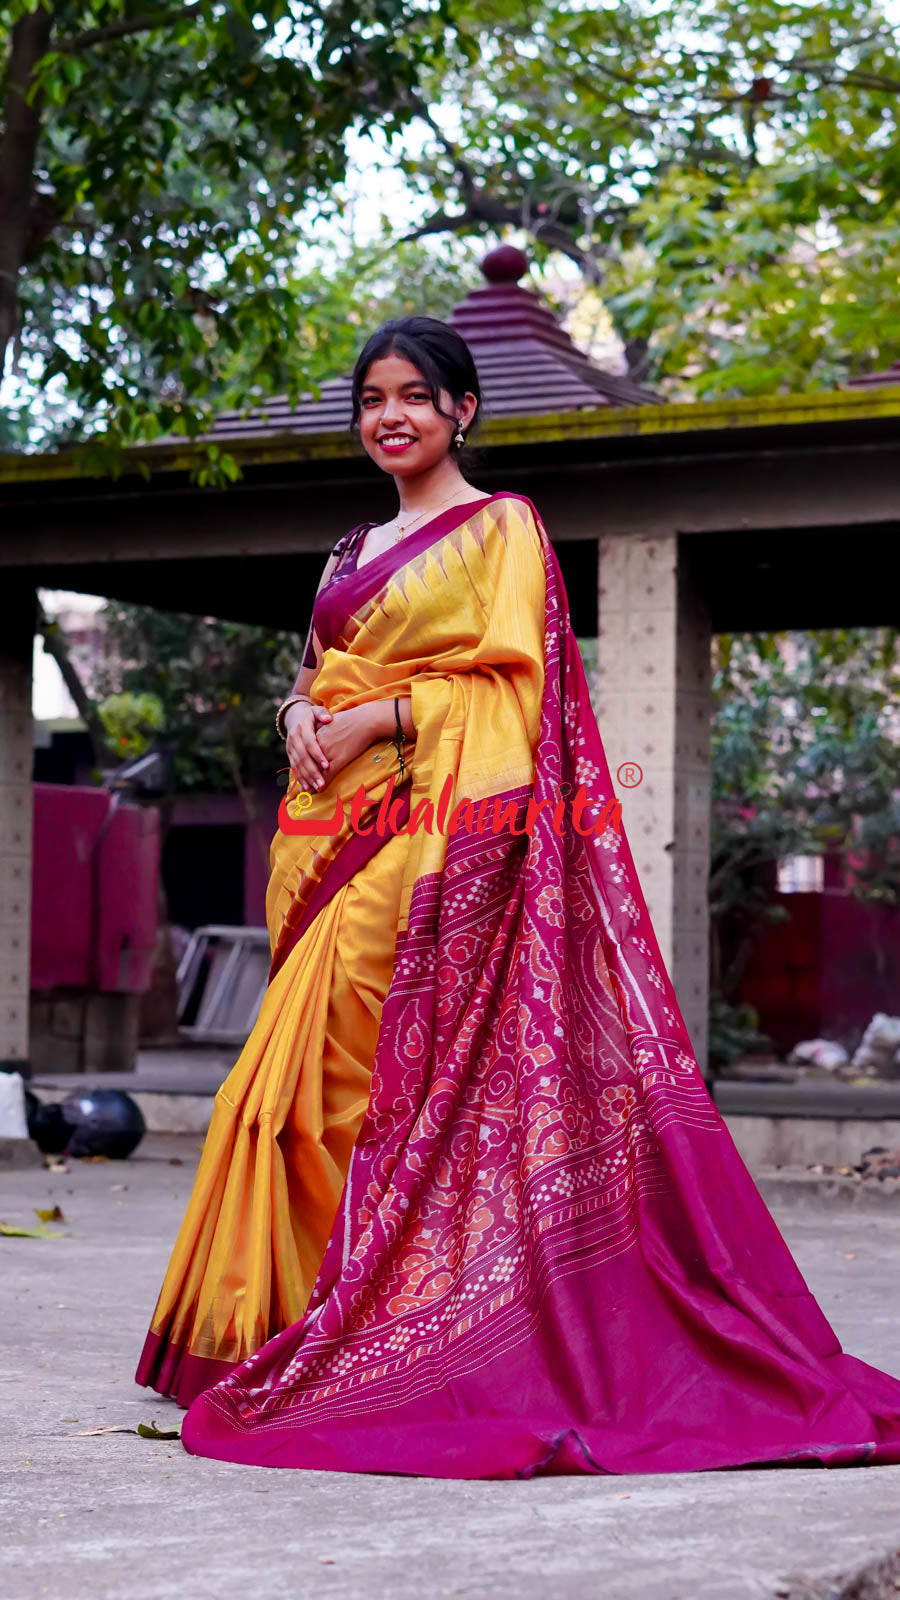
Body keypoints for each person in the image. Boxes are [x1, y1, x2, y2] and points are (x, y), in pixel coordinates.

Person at [137, 316, 900, 1479]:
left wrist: (379, 718)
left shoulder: (500, 529)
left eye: (415, 396)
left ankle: (396, 1313)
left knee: (367, 1063)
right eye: (373, 398)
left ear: (462, 411)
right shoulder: (347, 553)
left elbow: (515, 688)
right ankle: (289, 1321)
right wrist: (301, 717)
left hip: (431, 837)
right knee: (287, 1083)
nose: (390, 415)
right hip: (333, 833)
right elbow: (309, 676)